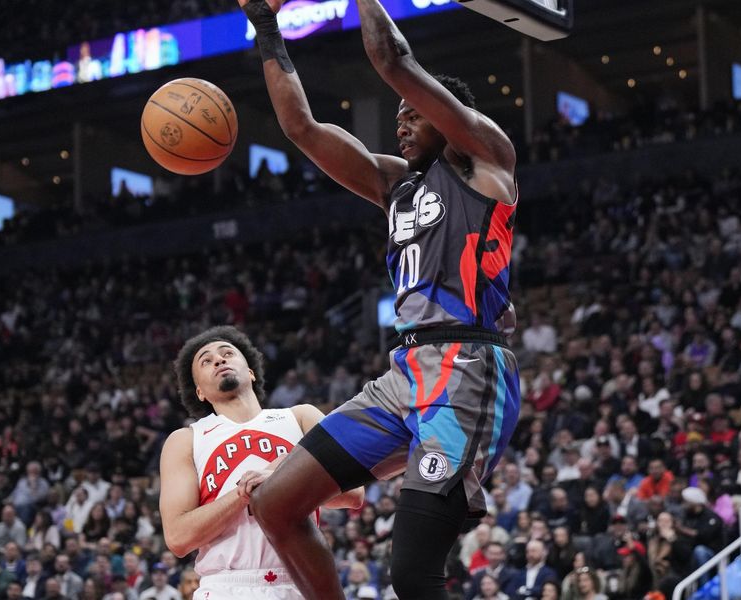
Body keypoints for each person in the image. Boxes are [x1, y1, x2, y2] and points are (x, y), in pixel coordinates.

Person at [240, 1, 520, 597]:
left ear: (447, 118)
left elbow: (393, 58)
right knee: (276, 505)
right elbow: (302, 130)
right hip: (403, 375)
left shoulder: (487, 159)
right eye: (396, 117)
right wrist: (267, 26)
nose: (399, 124)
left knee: (413, 576)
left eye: (411, 114)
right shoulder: (395, 185)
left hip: (465, 371)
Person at [159, 327, 364, 600]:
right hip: (226, 584)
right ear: (199, 392)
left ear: (251, 371)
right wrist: (245, 492)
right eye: (206, 361)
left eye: (227, 353)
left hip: (301, 580)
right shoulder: (186, 439)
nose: (219, 360)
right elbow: (178, 538)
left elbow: (353, 494)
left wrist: (278, 473)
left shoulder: (300, 417)